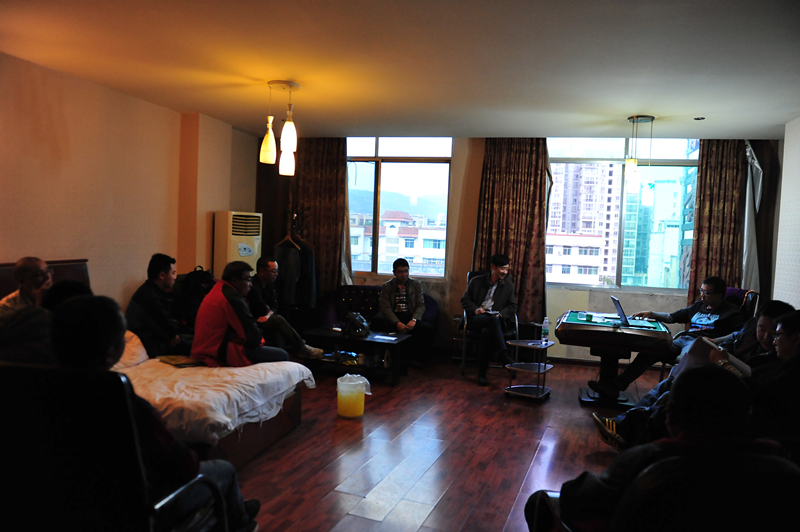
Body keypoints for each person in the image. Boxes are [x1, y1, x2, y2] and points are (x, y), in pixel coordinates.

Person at [51, 295, 260, 532]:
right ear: (112, 350)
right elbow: (184, 466)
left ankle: (237, 509)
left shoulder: (45, 393)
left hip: (78, 507)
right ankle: (240, 522)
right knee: (224, 471)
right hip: (147, 506)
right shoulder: (125, 402)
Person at [526, 365, 788, 532]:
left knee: (538, 501)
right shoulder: (782, 463)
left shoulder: (649, 460)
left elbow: (578, 500)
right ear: (747, 417)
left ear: (670, 416)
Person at [593, 300, 795, 452]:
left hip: (725, 390)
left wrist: (722, 362)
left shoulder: (780, 361)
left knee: (674, 392)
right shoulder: (744, 326)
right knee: (667, 382)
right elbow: (733, 337)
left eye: (775, 334)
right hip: (703, 354)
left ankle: (631, 436)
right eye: (761, 329)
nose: (767, 337)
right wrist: (721, 349)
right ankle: (623, 422)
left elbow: (755, 391)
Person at [589, 276, 745, 398]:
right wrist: (652, 314)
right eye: (701, 291)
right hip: (683, 340)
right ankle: (615, 386)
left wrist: (716, 341)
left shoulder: (731, 311)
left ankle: (670, 398)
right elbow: (672, 317)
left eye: (706, 293)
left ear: (718, 295)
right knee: (650, 350)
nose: (702, 295)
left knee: (684, 361)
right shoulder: (698, 306)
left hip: (701, 345)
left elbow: (740, 333)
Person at [191, 261, 289, 367]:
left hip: (205, 347)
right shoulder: (232, 298)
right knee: (283, 355)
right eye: (248, 280)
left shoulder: (219, 288)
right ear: (234, 280)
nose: (251, 284)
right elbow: (253, 338)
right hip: (218, 351)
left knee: (276, 335)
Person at [247, 257, 322, 358]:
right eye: (274, 271)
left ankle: (281, 359)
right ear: (261, 271)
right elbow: (261, 309)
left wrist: (268, 315)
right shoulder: (252, 286)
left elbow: (275, 306)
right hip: (254, 322)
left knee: (278, 332)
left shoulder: (270, 285)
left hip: (265, 319)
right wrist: (267, 310)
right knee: (278, 319)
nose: (276, 274)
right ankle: (302, 348)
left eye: (277, 271)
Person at [460, 253, 517, 386]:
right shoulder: (476, 281)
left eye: (506, 269)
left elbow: (512, 306)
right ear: (493, 267)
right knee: (491, 322)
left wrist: (501, 314)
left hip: (496, 319)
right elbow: (465, 300)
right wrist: (476, 309)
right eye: (502, 269)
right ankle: (504, 355)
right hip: (477, 318)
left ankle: (482, 373)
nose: (505, 272)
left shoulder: (508, 285)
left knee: (487, 332)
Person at [126, 253, 192, 358]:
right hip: (152, 345)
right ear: (162, 275)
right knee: (199, 346)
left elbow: (168, 325)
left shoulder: (150, 291)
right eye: (173, 273)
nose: (175, 277)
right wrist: (172, 334)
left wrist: (173, 333)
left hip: (158, 339)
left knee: (196, 338)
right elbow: (168, 326)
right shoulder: (149, 297)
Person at [371, 258, 435, 352]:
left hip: (409, 316)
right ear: (394, 273)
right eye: (400, 272)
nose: (404, 274)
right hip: (393, 317)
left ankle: (417, 357)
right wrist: (397, 323)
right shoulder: (387, 286)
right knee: (376, 321)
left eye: (406, 271)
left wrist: (414, 319)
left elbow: (421, 305)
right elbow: (385, 307)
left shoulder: (416, 284)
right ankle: (382, 354)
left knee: (427, 329)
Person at [0, 257, 53, 323]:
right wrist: (39, 302)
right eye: (39, 274)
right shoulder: (6, 307)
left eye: (48, 271)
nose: (47, 277)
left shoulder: (60, 296)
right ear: (22, 281)